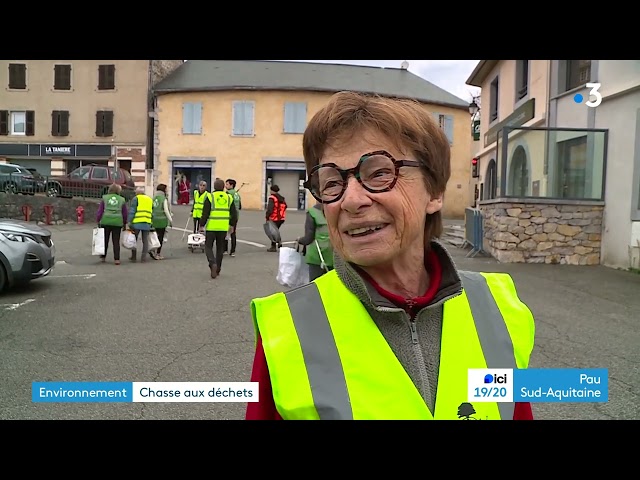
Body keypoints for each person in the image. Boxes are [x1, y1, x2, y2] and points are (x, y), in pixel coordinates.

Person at [246, 91, 536, 420]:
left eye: (380, 173)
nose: (351, 200)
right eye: (331, 183)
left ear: (435, 191)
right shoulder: (286, 329)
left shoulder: (498, 309)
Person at [199, 178, 238, 279]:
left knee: (208, 247)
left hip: (212, 226)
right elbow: (234, 214)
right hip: (223, 227)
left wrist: (201, 225)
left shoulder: (210, 197)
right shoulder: (229, 198)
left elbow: (205, 213)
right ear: (223, 187)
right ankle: (218, 268)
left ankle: (212, 263)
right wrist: (232, 225)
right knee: (220, 248)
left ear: (214, 187)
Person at [296, 201, 334, 281]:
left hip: (317, 256)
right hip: (335, 256)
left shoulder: (312, 212)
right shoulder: (336, 210)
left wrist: (299, 240)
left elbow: (308, 239)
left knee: (316, 286)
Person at [96, 183, 128, 266]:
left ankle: (103, 256)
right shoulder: (122, 199)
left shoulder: (105, 198)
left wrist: (98, 220)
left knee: (105, 240)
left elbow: (100, 211)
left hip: (105, 221)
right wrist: (124, 223)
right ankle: (116, 259)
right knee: (116, 241)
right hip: (117, 222)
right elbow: (124, 213)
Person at [127, 186, 153, 263]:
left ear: (137, 192)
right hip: (147, 222)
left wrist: (129, 221)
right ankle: (143, 257)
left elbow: (132, 210)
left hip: (137, 222)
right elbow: (152, 211)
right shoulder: (149, 199)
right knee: (145, 240)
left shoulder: (136, 198)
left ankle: (134, 257)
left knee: (133, 240)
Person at [150, 183, 173, 260]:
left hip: (154, 219)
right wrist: (170, 220)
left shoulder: (154, 197)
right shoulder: (163, 198)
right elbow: (166, 210)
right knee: (160, 238)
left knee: (154, 236)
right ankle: (158, 253)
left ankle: (152, 249)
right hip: (162, 220)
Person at [224, 178, 242, 257]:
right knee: (233, 233)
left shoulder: (228, 193)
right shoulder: (237, 194)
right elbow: (240, 206)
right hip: (236, 216)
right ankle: (233, 251)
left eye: (227, 184)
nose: (225, 186)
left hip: (229, 215)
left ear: (231, 185)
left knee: (226, 233)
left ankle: (225, 250)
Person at [265, 184, 286, 252]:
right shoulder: (281, 198)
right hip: (281, 218)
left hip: (274, 218)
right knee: (275, 231)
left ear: (272, 190)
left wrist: (267, 216)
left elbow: (270, 209)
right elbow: (285, 206)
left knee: (272, 232)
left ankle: (274, 246)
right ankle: (278, 242)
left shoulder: (272, 198)